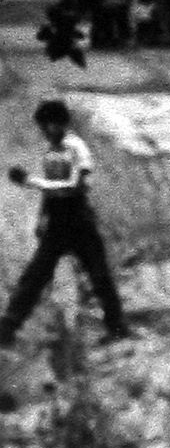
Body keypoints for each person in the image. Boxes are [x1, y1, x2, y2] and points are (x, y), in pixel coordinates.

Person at [0, 99, 129, 345]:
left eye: (47, 125)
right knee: (34, 277)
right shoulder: (52, 151)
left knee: (99, 276)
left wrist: (30, 181)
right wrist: (42, 217)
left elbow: (73, 187)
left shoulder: (76, 148)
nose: (45, 131)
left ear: (58, 124)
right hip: (57, 223)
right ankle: (7, 328)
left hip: (79, 220)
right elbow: (51, 192)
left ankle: (118, 327)